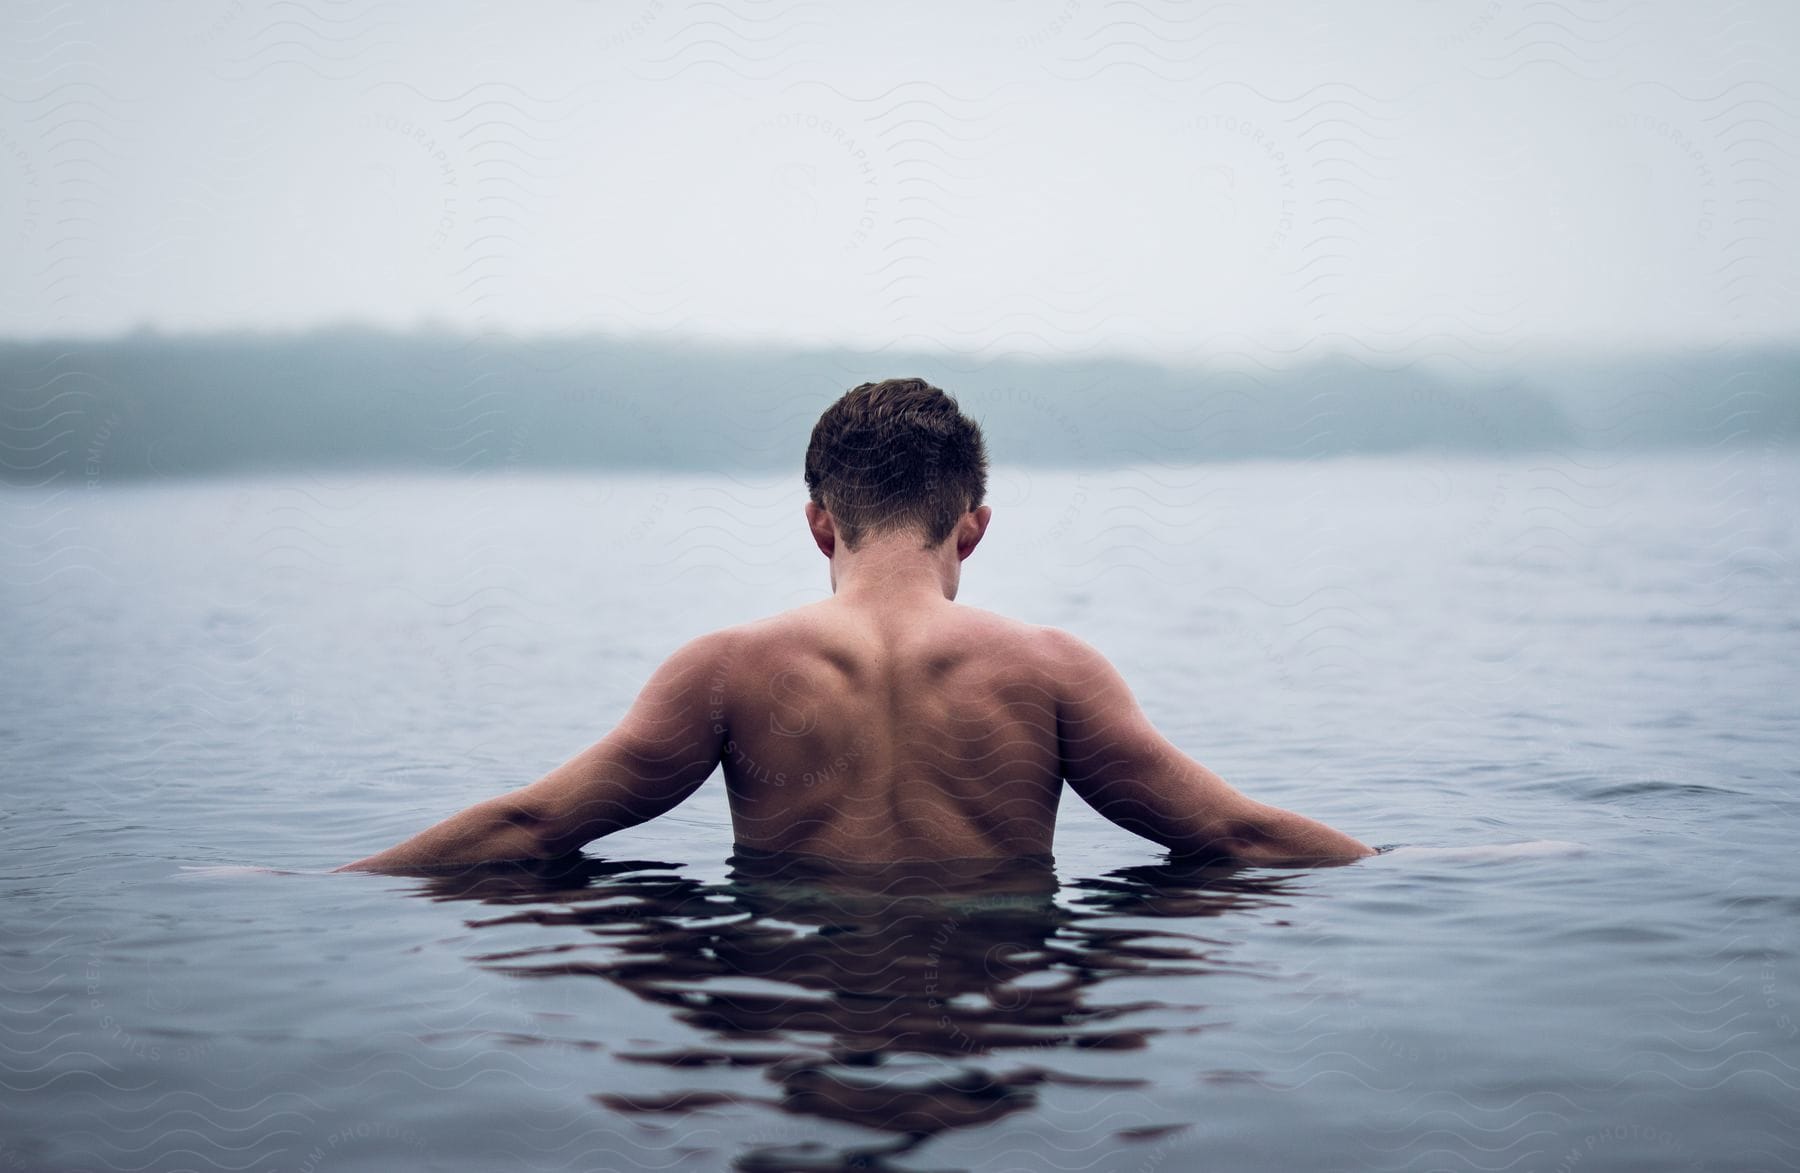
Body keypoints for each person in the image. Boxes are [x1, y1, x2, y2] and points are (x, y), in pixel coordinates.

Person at [336, 378, 1373, 873]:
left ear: (818, 523)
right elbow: (1235, 835)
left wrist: (320, 887)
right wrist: (1406, 864)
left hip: (789, 1006)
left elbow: (529, 826)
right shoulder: (1052, 670)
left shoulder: (728, 669)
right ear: (973, 529)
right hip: (999, 1016)